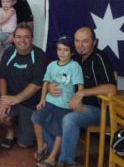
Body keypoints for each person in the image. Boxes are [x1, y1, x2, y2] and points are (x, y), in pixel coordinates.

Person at [47, 27, 117, 167]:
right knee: (46, 111)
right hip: (77, 105)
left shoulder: (99, 58)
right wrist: (49, 87)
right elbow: (61, 78)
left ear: (94, 42)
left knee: (69, 119)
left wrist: (81, 93)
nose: (80, 45)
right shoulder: (77, 59)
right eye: (77, 41)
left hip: (101, 110)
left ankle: (66, 161)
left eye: (85, 41)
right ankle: (50, 152)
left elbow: (112, 88)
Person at [31, 36, 84, 167]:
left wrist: (77, 101)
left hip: (65, 104)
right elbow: (45, 83)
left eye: (65, 50)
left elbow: (80, 87)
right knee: (36, 118)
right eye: (59, 49)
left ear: (72, 52)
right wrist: (42, 99)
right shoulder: (52, 65)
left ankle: (53, 157)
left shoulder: (75, 66)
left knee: (60, 130)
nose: (62, 52)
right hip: (49, 101)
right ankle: (41, 145)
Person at [0, 23, 47, 149]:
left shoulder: (39, 55)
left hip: (30, 103)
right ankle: (10, 132)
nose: (22, 41)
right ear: (13, 38)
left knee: (24, 144)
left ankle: (24, 127)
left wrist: (16, 99)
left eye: (26, 37)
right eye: (18, 37)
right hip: (11, 100)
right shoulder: (8, 52)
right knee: (0, 116)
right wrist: (4, 99)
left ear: (32, 39)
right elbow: (2, 77)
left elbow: (36, 85)